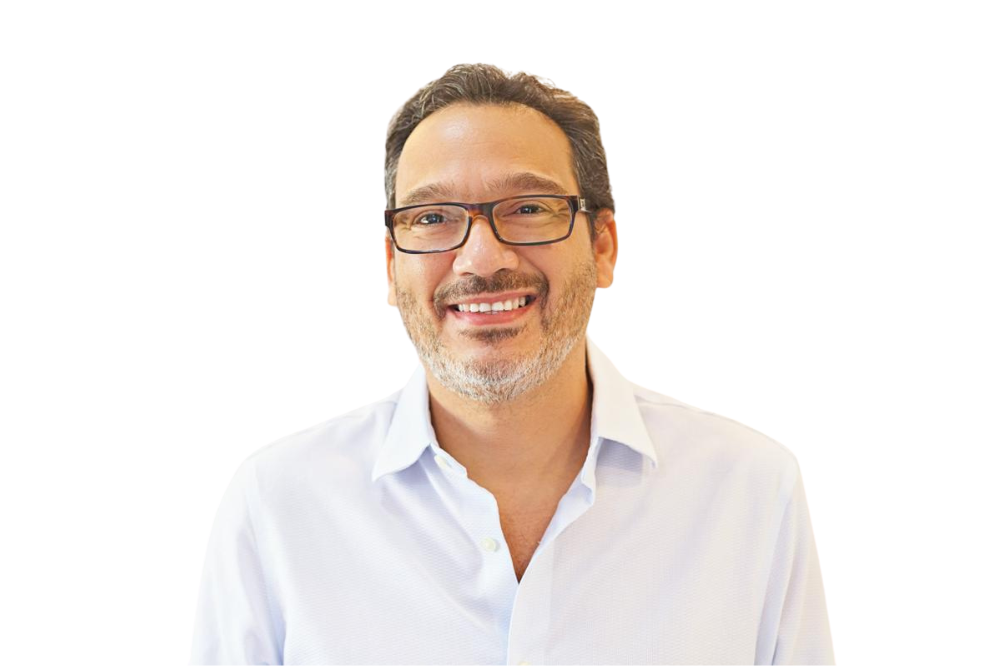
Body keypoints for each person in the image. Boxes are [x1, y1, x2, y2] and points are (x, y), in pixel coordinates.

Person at [190, 63, 835, 665]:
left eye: (528, 209)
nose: (481, 258)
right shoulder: (279, 509)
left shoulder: (749, 494)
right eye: (433, 217)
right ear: (391, 265)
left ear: (603, 246)